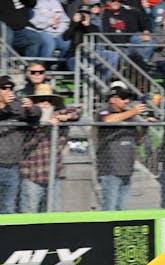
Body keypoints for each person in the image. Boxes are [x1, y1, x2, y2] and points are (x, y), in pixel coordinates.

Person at [18, 85, 81, 213]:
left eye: (49, 100)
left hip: (53, 175)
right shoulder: (27, 120)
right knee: (29, 213)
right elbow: (27, 144)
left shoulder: (57, 115)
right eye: (41, 100)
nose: (46, 103)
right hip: (32, 175)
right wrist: (46, 125)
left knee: (52, 213)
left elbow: (77, 111)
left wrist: (64, 117)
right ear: (35, 103)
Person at [96, 84, 152, 211]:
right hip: (110, 169)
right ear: (113, 99)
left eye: (128, 98)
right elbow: (107, 120)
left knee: (122, 208)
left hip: (127, 169)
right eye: (123, 98)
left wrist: (145, 127)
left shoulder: (130, 117)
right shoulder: (104, 111)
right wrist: (132, 111)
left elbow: (137, 141)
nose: (127, 101)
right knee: (109, 208)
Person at [0, 75, 41, 214]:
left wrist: (30, 108)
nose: (8, 91)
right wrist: (6, 109)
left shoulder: (16, 106)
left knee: (8, 207)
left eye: (11, 88)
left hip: (12, 165)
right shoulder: (10, 109)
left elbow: (36, 115)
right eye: (4, 88)